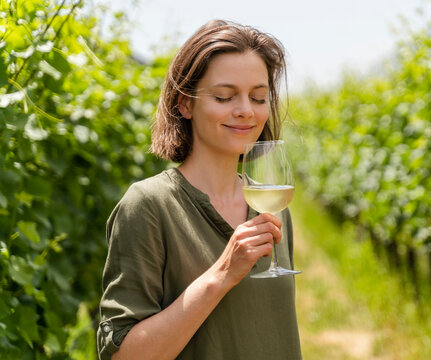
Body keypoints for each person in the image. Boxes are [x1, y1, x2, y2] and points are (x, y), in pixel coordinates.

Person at [96, 19, 302, 360]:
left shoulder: (274, 209)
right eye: (224, 96)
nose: (245, 111)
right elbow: (123, 355)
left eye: (259, 97)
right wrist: (222, 274)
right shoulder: (148, 206)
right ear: (184, 104)